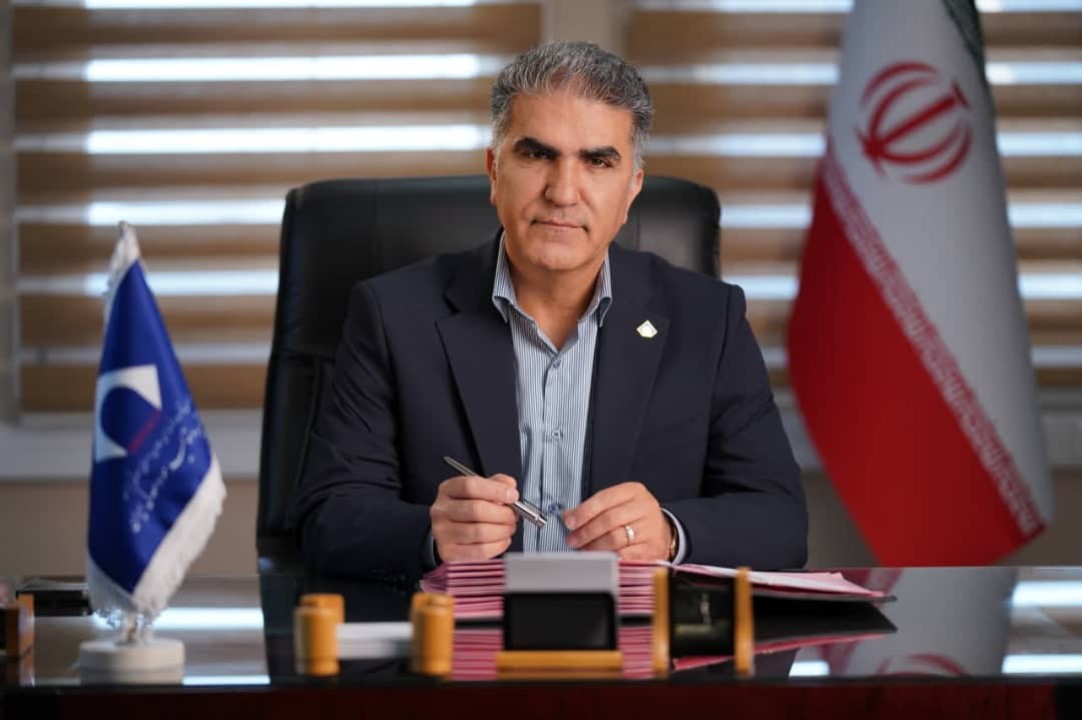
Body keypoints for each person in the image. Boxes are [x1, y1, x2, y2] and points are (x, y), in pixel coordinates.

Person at [292, 41, 807, 581]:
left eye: (597, 161)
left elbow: (780, 521)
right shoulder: (392, 315)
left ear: (632, 189)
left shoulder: (708, 319)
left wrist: (671, 532)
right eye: (537, 155)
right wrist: (431, 535)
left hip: (636, 631)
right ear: (494, 171)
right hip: (465, 632)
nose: (563, 192)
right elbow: (328, 518)